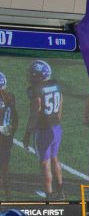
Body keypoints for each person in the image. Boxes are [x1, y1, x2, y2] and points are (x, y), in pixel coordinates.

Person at [22, 59, 64, 200]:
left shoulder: (35, 89)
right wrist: (56, 119)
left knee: (44, 163)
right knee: (54, 158)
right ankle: (61, 190)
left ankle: (49, 195)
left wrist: (27, 133)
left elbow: (36, 111)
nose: (31, 76)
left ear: (38, 75)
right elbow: (60, 105)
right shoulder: (55, 84)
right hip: (57, 127)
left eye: (33, 74)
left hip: (44, 129)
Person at [0, 72, 18, 199]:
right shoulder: (11, 96)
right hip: (7, 134)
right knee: (5, 166)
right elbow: (15, 117)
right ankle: (7, 192)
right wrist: (12, 132)